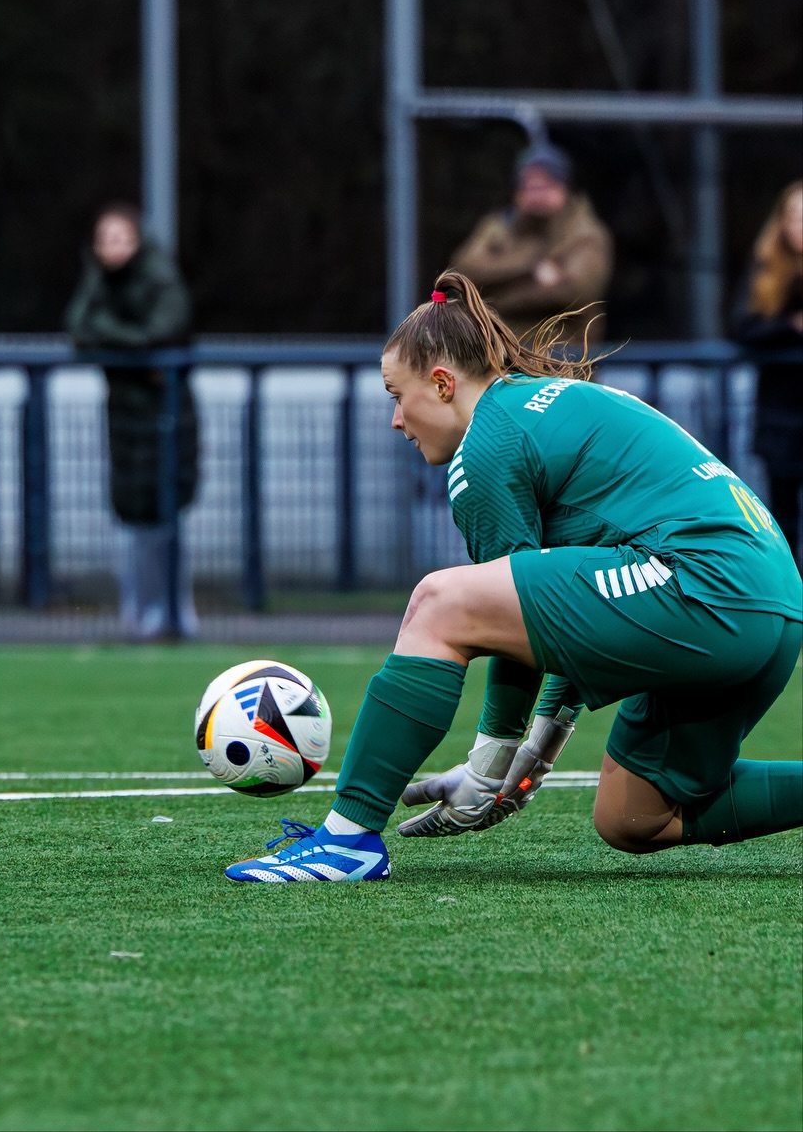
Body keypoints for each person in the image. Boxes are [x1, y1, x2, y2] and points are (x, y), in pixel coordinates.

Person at [224, 270, 801, 884]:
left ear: (443, 384)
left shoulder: (487, 446)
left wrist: (489, 765)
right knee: (634, 817)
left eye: (397, 394)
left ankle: (346, 842)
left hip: (706, 588)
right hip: (770, 605)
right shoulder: (541, 403)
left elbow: (513, 619)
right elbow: (565, 616)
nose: (396, 420)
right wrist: (533, 754)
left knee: (440, 603)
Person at [66, 204, 199, 638]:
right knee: (132, 512)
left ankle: (175, 613)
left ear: (137, 240)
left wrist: (110, 335)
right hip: (123, 413)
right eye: (104, 239)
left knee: (165, 512)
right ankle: (137, 612)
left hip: (165, 409)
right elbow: (79, 329)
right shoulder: (97, 280)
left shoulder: (161, 278)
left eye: (121, 238)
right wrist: (122, 343)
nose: (112, 248)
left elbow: (160, 334)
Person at [450, 142, 613, 343]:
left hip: (562, 354)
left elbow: (575, 293)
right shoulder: (498, 227)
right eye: (530, 187)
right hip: (499, 350)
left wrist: (488, 299)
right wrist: (531, 267)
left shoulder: (584, 233)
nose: (537, 195)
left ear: (563, 189)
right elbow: (462, 271)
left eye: (546, 186)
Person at [732, 181, 803, 564]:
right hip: (780, 413)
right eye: (794, 216)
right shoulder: (767, 268)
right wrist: (791, 326)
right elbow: (742, 327)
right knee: (782, 517)